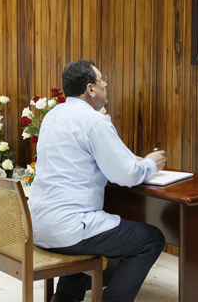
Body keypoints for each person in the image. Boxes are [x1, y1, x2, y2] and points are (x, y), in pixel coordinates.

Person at [28, 60, 167, 302]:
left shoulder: (53, 115)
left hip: (37, 224)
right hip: (67, 228)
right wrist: (151, 163)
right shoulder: (93, 120)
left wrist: (126, 159)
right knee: (150, 240)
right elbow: (126, 175)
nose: (106, 84)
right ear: (90, 89)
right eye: (102, 80)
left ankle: (64, 299)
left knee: (93, 233)